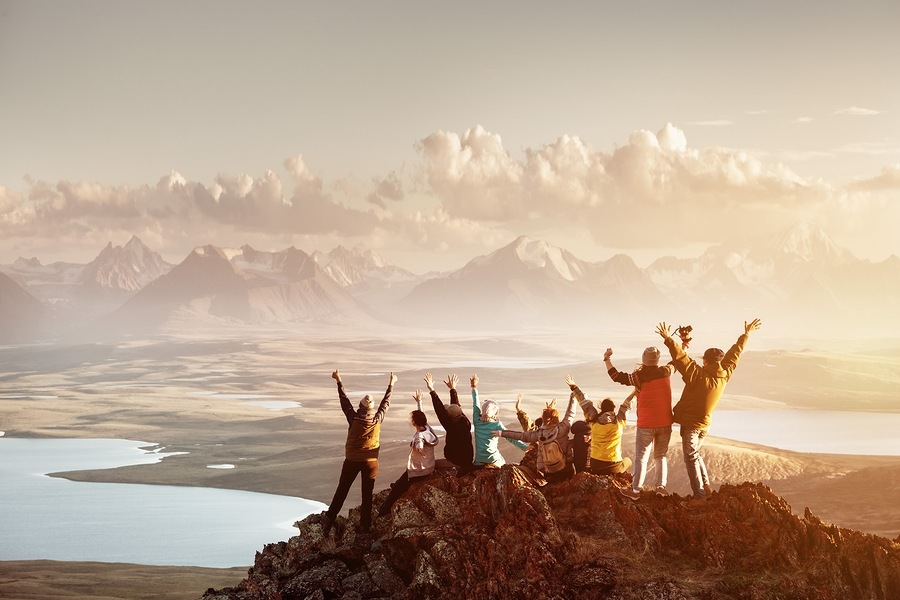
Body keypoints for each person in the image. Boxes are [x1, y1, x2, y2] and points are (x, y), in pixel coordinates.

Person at [657, 318, 762, 506]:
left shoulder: (698, 375)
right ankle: (706, 488)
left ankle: (700, 497)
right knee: (695, 454)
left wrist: (668, 338)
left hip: (692, 426)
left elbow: (681, 359)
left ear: (705, 361)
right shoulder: (725, 373)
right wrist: (746, 335)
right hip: (705, 424)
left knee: (690, 457)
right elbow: (735, 353)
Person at [323, 369, 395, 535]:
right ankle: (364, 526)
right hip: (371, 462)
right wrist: (391, 384)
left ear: (361, 407)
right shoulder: (377, 419)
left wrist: (338, 380)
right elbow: (386, 403)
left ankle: (329, 518)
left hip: (352, 460)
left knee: (342, 489)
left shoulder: (353, 418)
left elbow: (344, 400)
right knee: (367, 494)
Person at [605, 346, 676, 500]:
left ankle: (636, 491)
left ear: (644, 359)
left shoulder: (638, 376)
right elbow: (677, 361)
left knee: (641, 458)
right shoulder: (666, 371)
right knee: (660, 455)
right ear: (657, 359)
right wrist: (683, 345)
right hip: (665, 422)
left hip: (646, 424)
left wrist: (607, 359)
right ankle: (661, 487)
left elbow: (616, 376)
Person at [377, 389, 439, 517]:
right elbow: (422, 416)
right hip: (428, 466)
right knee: (400, 481)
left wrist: (420, 449)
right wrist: (419, 401)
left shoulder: (420, 436)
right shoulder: (428, 429)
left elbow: (419, 443)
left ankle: (384, 511)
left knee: (396, 488)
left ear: (414, 423)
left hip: (420, 471)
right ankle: (402, 484)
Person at [497, 388, 577, 481]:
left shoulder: (539, 434)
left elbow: (521, 436)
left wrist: (501, 433)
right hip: (566, 470)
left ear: (543, 419)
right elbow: (570, 413)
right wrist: (574, 394)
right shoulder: (562, 429)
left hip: (549, 472)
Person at [568, 374, 634, 476]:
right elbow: (627, 404)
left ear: (601, 408)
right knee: (628, 461)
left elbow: (585, 403)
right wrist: (636, 391)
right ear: (613, 408)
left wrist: (574, 387)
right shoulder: (619, 421)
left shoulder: (594, 420)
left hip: (595, 464)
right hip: (613, 465)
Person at [468, 374, 527, 470]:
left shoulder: (477, 421)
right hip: (493, 460)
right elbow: (511, 437)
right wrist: (525, 448)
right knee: (504, 463)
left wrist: (474, 387)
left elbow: (476, 404)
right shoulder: (496, 425)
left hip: (479, 461)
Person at [425, 372, 474, 469]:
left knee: (429, 466)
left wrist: (432, 390)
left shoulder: (452, 426)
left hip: (455, 462)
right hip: (467, 460)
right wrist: (452, 389)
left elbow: (440, 411)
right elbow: (455, 407)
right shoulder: (464, 420)